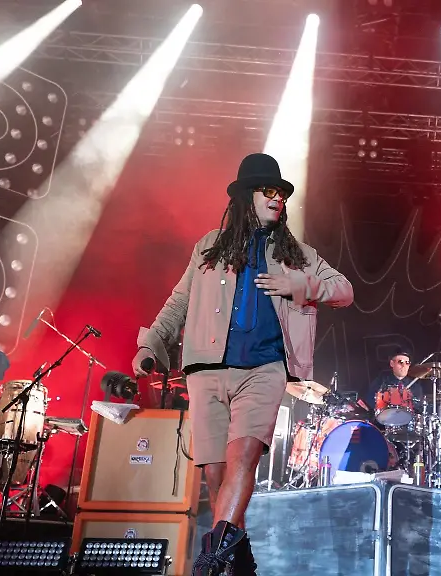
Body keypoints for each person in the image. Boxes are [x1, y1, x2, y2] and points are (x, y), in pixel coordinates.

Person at [132, 153, 354, 576]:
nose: (278, 199)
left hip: (264, 368)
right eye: (268, 191)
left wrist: (300, 284)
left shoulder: (297, 254)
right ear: (245, 196)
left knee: (243, 461)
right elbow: (179, 300)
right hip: (206, 370)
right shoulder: (210, 245)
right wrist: (153, 343)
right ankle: (240, 566)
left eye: (282, 194)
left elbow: (344, 290)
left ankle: (210, 564)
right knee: (217, 480)